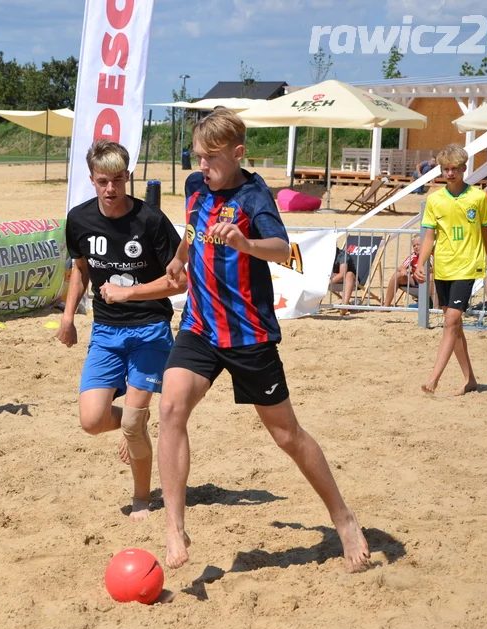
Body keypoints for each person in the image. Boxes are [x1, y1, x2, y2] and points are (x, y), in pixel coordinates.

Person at [160, 108, 370, 572]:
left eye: (212, 158)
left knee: (286, 435)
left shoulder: (255, 196)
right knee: (172, 407)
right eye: (197, 157)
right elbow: (193, 230)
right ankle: (175, 526)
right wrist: (179, 257)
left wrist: (245, 244)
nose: (203, 167)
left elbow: (284, 249)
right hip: (199, 325)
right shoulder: (197, 188)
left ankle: (343, 517)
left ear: (237, 153)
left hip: (248, 334)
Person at [58, 139, 185, 521]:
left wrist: (130, 293)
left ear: (128, 176)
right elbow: (79, 270)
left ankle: (142, 499)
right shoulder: (79, 219)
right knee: (92, 421)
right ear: (92, 180)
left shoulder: (151, 221)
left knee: (130, 423)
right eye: (102, 181)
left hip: (150, 330)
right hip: (105, 333)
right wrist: (67, 317)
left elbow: (179, 282)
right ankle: (137, 423)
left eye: (117, 179)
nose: (110, 188)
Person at [414, 143, 487, 395]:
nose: (450, 173)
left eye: (454, 169)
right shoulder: (434, 200)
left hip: (468, 265)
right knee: (455, 326)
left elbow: (486, 234)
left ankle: (433, 378)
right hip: (443, 267)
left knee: (450, 321)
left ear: (464, 168)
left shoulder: (478, 197)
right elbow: (429, 235)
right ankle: (470, 380)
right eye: (445, 169)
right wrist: (420, 264)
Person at [381, 236, 439, 308]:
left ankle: (436, 307)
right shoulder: (413, 256)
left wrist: (429, 270)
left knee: (430, 276)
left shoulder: (430, 255)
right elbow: (401, 267)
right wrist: (404, 270)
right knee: (397, 275)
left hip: (429, 282)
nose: (416, 247)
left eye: (418, 244)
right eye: (414, 245)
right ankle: (386, 306)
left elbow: (435, 268)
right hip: (416, 281)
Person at [329, 246, 356, 315]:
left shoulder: (342, 256)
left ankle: (345, 305)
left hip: (351, 282)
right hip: (334, 280)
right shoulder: (323, 255)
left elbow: (342, 275)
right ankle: (314, 305)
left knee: (349, 274)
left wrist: (327, 282)